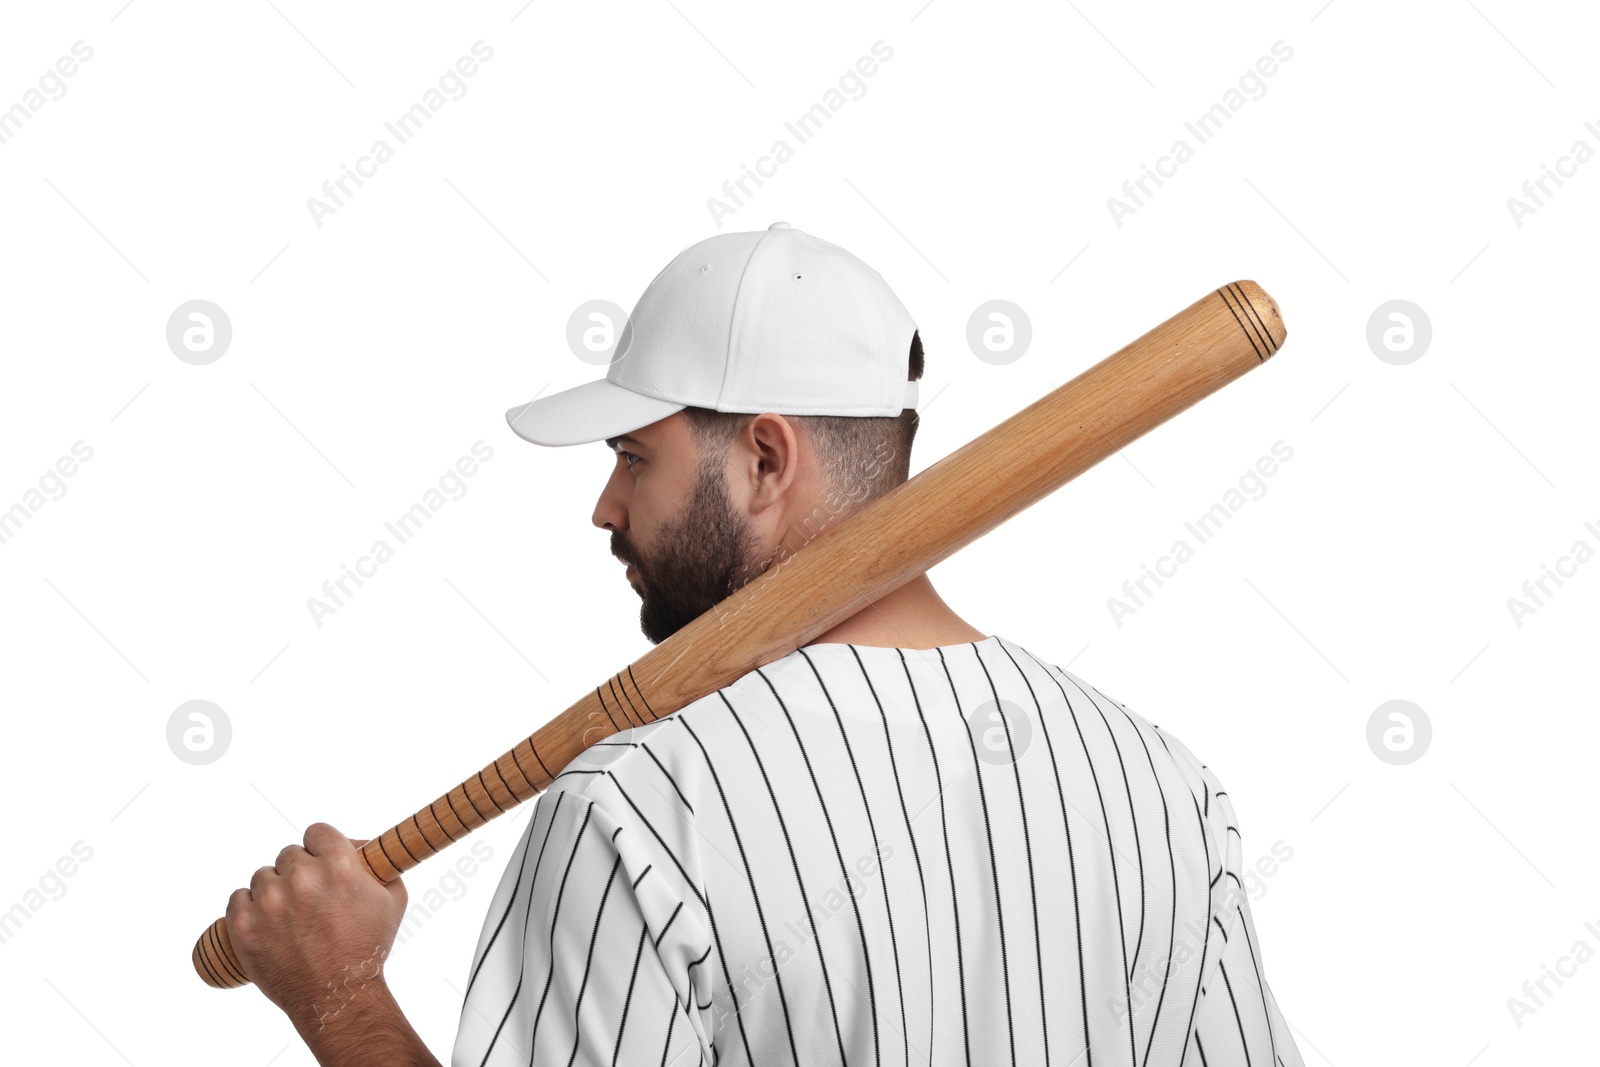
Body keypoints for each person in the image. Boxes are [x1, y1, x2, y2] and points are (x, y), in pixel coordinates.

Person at [225, 223, 1303, 1066]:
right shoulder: (1161, 782)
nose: (605, 506)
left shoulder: (639, 800)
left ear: (765, 459)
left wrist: (338, 992)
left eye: (633, 456)